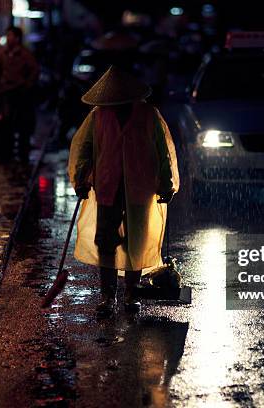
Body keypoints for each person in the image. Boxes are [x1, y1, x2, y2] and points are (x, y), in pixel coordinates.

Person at [68, 66, 180, 318]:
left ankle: (131, 291)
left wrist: (166, 183)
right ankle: (108, 296)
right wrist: (81, 179)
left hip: (140, 187)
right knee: (106, 242)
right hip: (108, 186)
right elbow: (84, 149)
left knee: (135, 242)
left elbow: (162, 152)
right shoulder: (98, 117)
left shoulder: (149, 115)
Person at [0, 26, 39, 159]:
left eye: (10, 35)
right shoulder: (2, 53)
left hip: (20, 92)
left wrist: (26, 85)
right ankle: (7, 152)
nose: (8, 38)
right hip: (6, 93)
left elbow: (34, 71)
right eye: (7, 35)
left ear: (17, 38)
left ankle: (22, 153)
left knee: (22, 124)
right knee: (6, 123)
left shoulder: (25, 55)